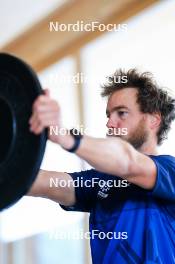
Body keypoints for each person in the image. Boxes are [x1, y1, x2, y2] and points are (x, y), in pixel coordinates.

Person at [28, 69, 175, 263]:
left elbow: (128, 162)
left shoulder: (169, 170)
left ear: (153, 119)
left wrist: (65, 135)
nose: (109, 123)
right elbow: (42, 182)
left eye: (121, 113)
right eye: (109, 115)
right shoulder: (100, 182)